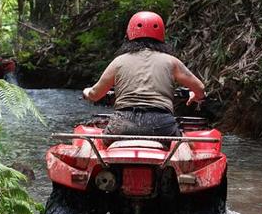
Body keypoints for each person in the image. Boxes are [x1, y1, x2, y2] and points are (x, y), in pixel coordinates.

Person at [82, 11, 205, 140]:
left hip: (122, 124)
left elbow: (95, 95)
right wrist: (196, 95)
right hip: (162, 125)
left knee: (99, 141)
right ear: (162, 37)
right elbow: (200, 88)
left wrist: (87, 91)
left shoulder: (118, 62)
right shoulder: (171, 61)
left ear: (129, 35)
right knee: (185, 144)